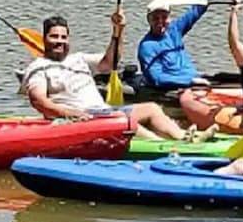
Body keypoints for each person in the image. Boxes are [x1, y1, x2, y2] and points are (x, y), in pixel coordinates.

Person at [20, 11, 200, 141]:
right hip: (79, 120)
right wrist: (71, 114)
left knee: (152, 108)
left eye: (63, 37)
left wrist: (118, 31)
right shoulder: (38, 68)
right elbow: (40, 102)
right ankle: (160, 146)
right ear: (44, 39)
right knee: (121, 121)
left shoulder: (79, 59)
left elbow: (110, 62)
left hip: (103, 111)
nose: (60, 41)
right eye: (54, 37)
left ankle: (184, 137)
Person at [138, 0, 226, 94]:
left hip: (197, 81)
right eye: (155, 18)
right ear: (148, 20)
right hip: (178, 88)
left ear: (169, 17)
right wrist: (189, 81)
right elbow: (157, 78)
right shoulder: (146, 47)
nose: (160, 22)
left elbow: (197, 9)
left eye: (164, 17)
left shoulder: (174, 29)